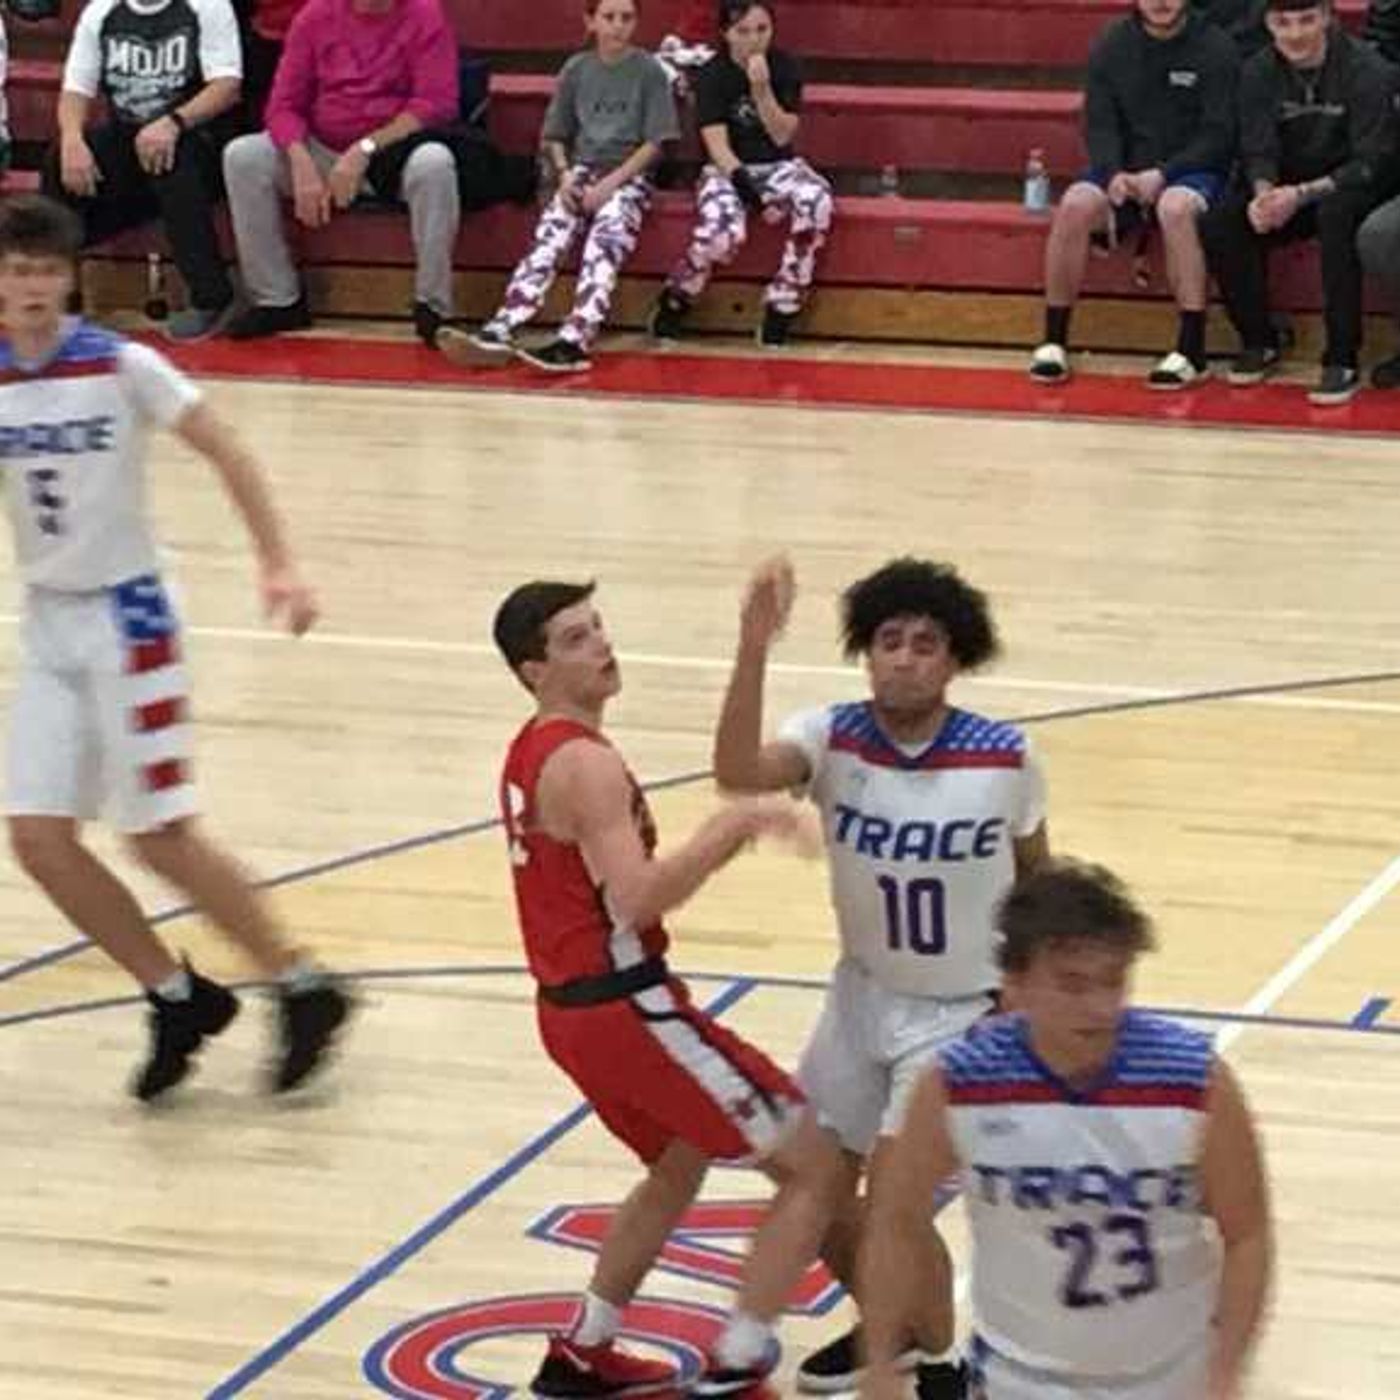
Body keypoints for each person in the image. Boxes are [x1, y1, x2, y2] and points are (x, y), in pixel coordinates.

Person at [0, 194, 352, 1100]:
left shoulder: (120, 364)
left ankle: (301, 983)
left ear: (69, 280)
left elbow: (224, 446)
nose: (32, 286)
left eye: (45, 271)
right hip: (50, 620)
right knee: (38, 838)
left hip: (131, 618)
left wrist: (279, 564)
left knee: (158, 834)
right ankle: (175, 994)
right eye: (17, 270)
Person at [494, 578, 842, 1399]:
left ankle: (583, 1350)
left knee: (678, 1164)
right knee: (815, 1166)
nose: (602, 645)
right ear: (535, 671)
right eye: (575, 639)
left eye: (598, 628)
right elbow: (640, 897)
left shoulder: (532, 748)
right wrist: (735, 825)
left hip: (570, 1014)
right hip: (626, 1009)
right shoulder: (585, 764)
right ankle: (737, 1363)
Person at [711, 557, 1050, 1398]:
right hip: (860, 997)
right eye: (888, 641)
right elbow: (737, 774)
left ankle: (941, 1366)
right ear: (866, 652)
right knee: (814, 1186)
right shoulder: (831, 736)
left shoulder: (1005, 758)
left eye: (924, 644)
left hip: (958, 1012)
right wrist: (752, 647)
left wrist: (1027, 1001)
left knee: (897, 1202)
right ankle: (892, 1330)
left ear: (955, 659)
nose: (903, 659)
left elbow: (1039, 884)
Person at [860, 859, 1273, 1400]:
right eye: (1073, 985)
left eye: (1113, 981)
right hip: (1017, 1378)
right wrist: (880, 1361)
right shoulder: (957, 1083)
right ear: (1014, 984)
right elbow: (896, 1220)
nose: (1100, 1007)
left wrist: (1227, 1373)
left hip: (1170, 1377)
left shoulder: (1194, 1079)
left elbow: (1248, 1234)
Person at [441, 0, 678, 373]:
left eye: (626, 18)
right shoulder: (576, 69)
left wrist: (611, 184)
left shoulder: (649, 71)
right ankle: (504, 324)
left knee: (605, 240)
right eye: (609, 17)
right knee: (549, 239)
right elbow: (555, 136)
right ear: (591, 21)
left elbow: (655, 144)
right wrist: (565, 175)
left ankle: (576, 338)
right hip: (580, 171)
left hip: (627, 176)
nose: (618, 26)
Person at [222, 0, 468, 350]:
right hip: (322, 149)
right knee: (243, 156)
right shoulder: (315, 16)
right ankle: (277, 300)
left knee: (435, 164)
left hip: (391, 154)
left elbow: (436, 102)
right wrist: (300, 161)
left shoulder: (425, 15)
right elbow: (283, 106)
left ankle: (433, 306)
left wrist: (364, 149)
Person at [1028, 0, 1238, 390]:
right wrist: (1112, 173)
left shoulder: (1216, 47)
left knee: (1175, 207)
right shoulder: (1112, 43)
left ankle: (1192, 350)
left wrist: (1165, 173)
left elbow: (1220, 133)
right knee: (1075, 204)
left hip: (1193, 170)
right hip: (1124, 170)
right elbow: (1099, 122)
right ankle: (1053, 340)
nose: (1161, 2)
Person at [1201, 0, 1400, 405]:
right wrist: (1264, 193)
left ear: (1327, 17)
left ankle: (1341, 356)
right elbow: (1257, 148)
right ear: (1268, 24)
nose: (1295, 34)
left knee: (1336, 215)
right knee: (1222, 221)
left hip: (1352, 185)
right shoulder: (1257, 71)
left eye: (1306, 20)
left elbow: (1371, 162)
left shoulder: (1369, 70)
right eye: (1283, 23)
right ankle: (1259, 339)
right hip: (1289, 186)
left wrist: (1302, 193)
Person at [44, 0, 244, 342]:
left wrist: (174, 122)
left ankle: (211, 296)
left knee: (173, 158)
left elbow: (226, 87)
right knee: (58, 158)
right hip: (128, 135)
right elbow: (75, 89)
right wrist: (72, 140)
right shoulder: (101, 11)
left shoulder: (207, 6)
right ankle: (58, 294)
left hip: (195, 133)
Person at [650, 0, 833, 349]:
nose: (754, 39)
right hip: (726, 169)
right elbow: (718, 149)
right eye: (743, 31)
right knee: (721, 234)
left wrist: (761, 91)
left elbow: (782, 136)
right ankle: (679, 293)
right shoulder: (712, 75)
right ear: (726, 33)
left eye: (762, 30)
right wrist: (754, 198)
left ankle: (784, 303)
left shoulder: (785, 67)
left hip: (777, 165)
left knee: (817, 202)